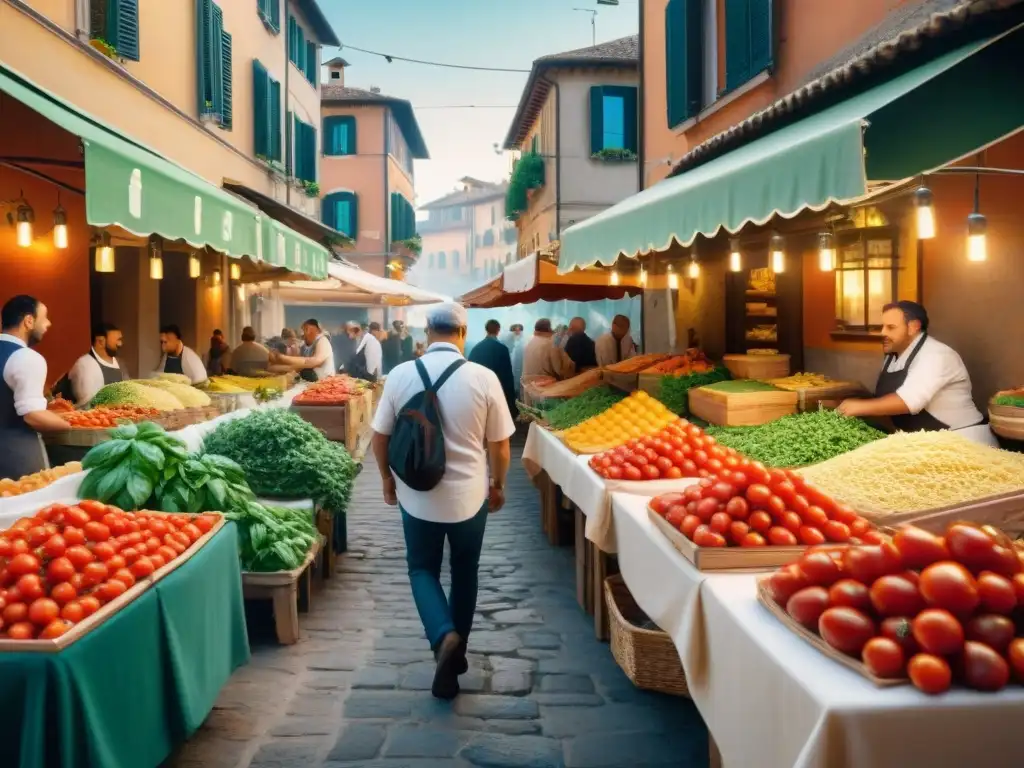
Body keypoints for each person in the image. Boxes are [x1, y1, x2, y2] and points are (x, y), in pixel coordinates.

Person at [370, 302, 515, 700]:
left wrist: (386, 478)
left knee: (422, 570)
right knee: (465, 571)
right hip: (470, 496)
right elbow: (500, 445)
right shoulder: (483, 378)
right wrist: (498, 484)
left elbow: (379, 438)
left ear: (427, 332)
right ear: (463, 334)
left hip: (416, 494)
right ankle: (457, 650)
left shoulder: (401, 375)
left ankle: (442, 638)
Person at [836, 301, 990, 444]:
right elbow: (884, 404)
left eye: (891, 327)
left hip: (962, 441)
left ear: (913, 327)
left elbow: (908, 402)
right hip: (923, 442)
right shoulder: (894, 356)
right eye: (882, 326)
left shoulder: (935, 354)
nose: (882, 332)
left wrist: (858, 407)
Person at [0, 295, 69, 478]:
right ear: (29, 321)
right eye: (44, 317)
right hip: (16, 462)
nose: (48, 324)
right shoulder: (26, 357)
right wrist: (70, 424)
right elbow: (33, 416)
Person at [66, 322, 126, 405]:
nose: (120, 344)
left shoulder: (119, 362)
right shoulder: (85, 365)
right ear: (100, 341)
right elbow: (87, 403)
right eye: (117, 340)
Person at [469, 319, 517, 421]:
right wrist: (512, 406)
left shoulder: (475, 349)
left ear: (486, 330)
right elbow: (507, 378)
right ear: (498, 330)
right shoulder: (502, 349)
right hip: (495, 396)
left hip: (477, 395)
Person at [270, 319, 335, 381]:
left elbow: (314, 361)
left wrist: (283, 358)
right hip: (310, 383)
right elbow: (296, 366)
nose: (303, 336)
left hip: (326, 385)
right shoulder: (305, 346)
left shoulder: (323, 341)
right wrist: (275, 365)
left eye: (304, 331)